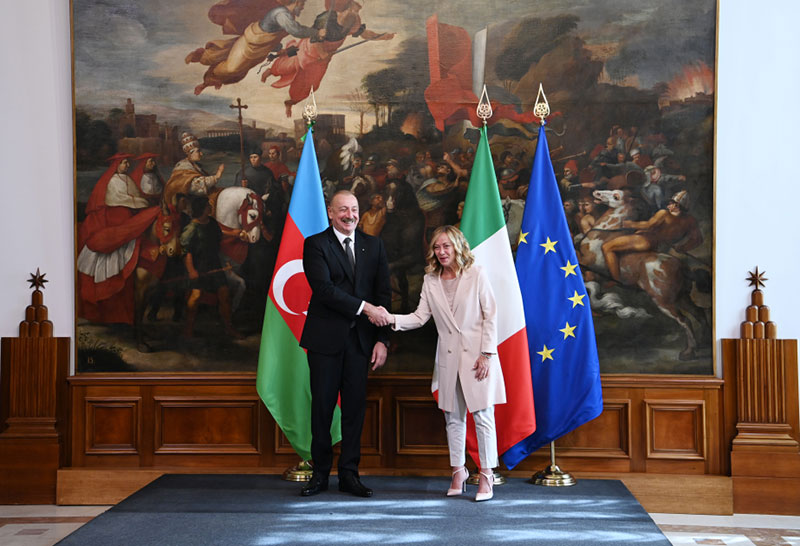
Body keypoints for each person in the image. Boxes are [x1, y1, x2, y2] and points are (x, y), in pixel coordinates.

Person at [371, 225, 505, 502]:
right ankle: (458, 471)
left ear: (457, 246)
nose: (441, 252)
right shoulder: (430, 280)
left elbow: (490, 315)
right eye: (436, 247)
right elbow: (419, 317)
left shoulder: (476, 273)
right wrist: (390, 318)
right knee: (453, 418)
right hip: (447, 359)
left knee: (482, 416)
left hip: (478, 358)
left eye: (446, 246)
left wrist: (487, 354)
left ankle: (486, 475)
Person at [299, 190, 391, 498]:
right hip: (325, 342)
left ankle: (349, 474)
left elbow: (384, 295)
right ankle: (320, 474)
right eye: (343, 210)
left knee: (354, 411)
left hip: (361, 343)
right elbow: (324, 290)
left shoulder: (374, 245)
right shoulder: (315, 244)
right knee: (322, 409)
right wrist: (365, 308)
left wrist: (382, 340)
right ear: (330, 212)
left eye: (354, 209)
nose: (349, 215)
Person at [602, 190, 702, 282]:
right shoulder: (691, 221)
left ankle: (616, 280)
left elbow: (648, 225)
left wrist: (630, 224)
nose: (668, 205)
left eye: (671, 203)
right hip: (664, 248)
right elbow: (697, 239)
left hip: (647, 241)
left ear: (676, 205)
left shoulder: (664, 214)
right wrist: (682, 248)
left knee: (607, 247)